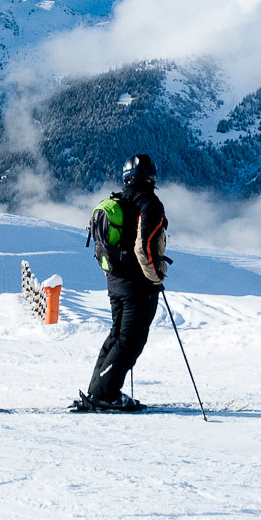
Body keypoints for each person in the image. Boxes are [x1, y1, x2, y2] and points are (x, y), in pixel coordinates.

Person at [79, 154, 169, 412]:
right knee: (130, 340)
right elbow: (145, 248)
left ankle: (98, 389)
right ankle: (105, 395)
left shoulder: (120, 200)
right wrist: (156, 277)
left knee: (117, 336)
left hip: (115, 281)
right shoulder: (148, 203)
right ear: (151, 177)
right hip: (137, 285)